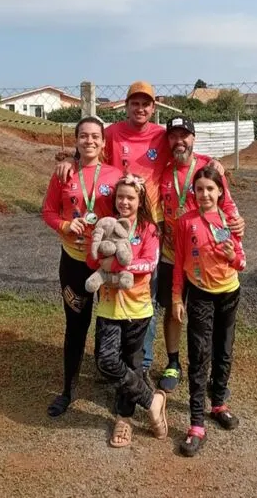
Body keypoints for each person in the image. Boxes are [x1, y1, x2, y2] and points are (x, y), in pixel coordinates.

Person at [53, 80, 241, 385]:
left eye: (146, 104)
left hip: (152, 228)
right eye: (135, 103)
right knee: (111, 290)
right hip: (118, 225)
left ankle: (142, 362)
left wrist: (212, 162)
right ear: (127, 106)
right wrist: (70, 161)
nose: (140, 109)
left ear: (154, 108)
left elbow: (186, 153)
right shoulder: (112, 132)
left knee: (145, 295)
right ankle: (109, 358)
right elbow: (92, 152)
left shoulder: (161, 135)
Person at [41, 116, 122, 417]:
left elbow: (129, 212)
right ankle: (68, 391)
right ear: (76, 141)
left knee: (113, 326)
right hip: (73, 263)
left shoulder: (116, 176)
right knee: (75, 327)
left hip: (106, 265)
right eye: (84, 136)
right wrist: (64, 225)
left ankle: (118, 387)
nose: (89, 141)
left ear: (103, 142)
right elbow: (48, 211)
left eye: (95, 137)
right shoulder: (63, 174)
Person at [155, 115, 242, 393]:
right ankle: (173, 362)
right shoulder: (163, 171)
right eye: (173, 136)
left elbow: (227, 208)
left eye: (185, 135)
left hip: (207, 258)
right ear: (168, 140)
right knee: (173, 308)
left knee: (209, 319)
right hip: (172, 253)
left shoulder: (208, 168)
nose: (179, 141)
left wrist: (236, 233)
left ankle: (216, 376)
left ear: (194, 138)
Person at [86, 173, 168, 447]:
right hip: (109, 307)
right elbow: (91, 257)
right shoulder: (105, 225)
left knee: (133, 364)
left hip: (137, 308)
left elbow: (149, 264)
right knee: (106, 360)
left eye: (130, 197)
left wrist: (120, 266)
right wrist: (101, 257)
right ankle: (152, 401)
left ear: (140, 200)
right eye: (120, 197)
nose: (124, 202)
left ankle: (123, 420)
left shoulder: (150, 229)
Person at [171, 165, 246, 457]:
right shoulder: (185, 221)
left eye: (210, 189)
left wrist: (233, 257)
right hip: (199, 295)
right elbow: (178, 263)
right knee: (199, 354)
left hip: (229, 294)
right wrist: (177, 298)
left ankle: (218, 404)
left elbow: (241, 261)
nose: (204, 194)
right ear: (194, 192)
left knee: (224, 350)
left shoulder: (231, 221)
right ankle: (196, 424)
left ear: (220, 192)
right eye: (199, 189)